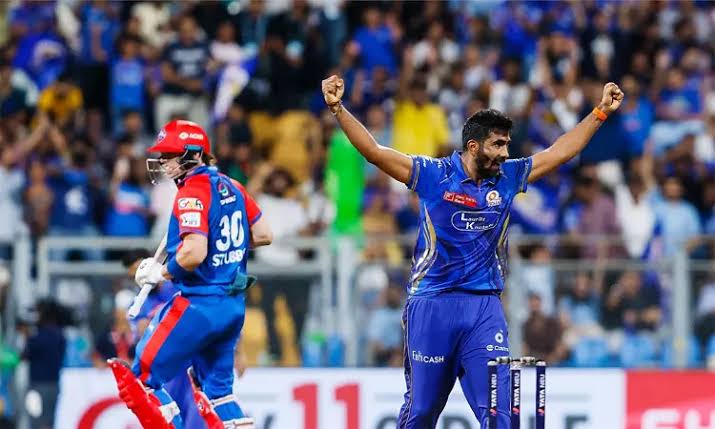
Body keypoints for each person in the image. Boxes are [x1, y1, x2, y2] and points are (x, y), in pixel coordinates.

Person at [321, 74, 623, 427]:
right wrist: (338, 108)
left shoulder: (508, 177)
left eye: (507, 144)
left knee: (500, 415)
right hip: (432, 304)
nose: (505, 153)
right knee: (421, 412)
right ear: (474, 146)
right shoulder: (433, 174)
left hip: (484, 308)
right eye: (498, 145)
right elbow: (374, 152)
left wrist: (600, 112)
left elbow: (559, 152)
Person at [108, 119, 273, 429]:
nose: (163, 162)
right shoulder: (232, 185)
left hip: (198, 304)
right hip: (232, 307)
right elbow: (263, 234)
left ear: (193, 154)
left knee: (140, 379)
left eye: (170, 155)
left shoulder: (191, 193)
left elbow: (194, 253)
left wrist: (160, 272)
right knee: (219, 394)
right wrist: (219, 243)